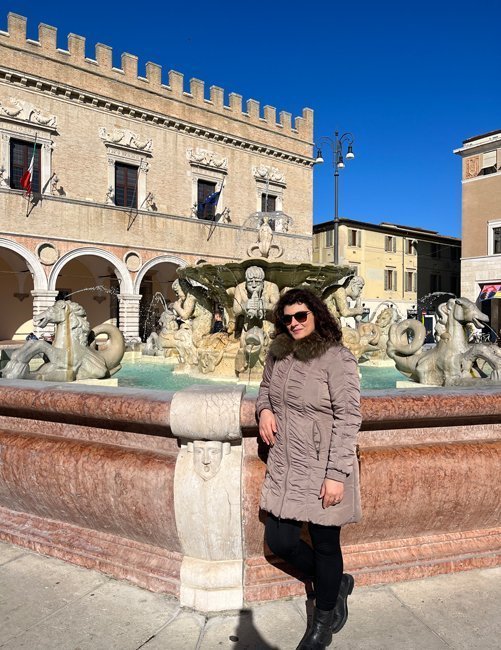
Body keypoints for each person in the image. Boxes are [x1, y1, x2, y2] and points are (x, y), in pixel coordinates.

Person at [257, 288, 362, 650]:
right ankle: (336, 581)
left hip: (322, 465)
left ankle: (324, 617)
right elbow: (265, 390)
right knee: (280, 541)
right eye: (287, 318)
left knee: (325, 543)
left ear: (317, 314)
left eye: (301, 315)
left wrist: (336, 475)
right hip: (286, 463)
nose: (294, 323)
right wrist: (265, 410)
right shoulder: (278, 354)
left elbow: (349, 417)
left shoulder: (337, 358)